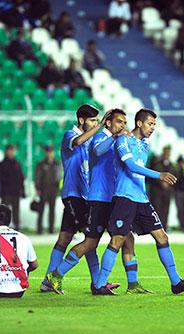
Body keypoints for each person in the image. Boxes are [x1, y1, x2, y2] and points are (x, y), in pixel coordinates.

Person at [92, 109, 184, 295]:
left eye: (154, 125)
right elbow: (131, 166)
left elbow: (139, 170)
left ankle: (176, 282)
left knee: (162, 237)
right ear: (139, 123)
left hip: (141, 199)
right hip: (124, 198)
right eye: (150, 124)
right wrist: (160, 175)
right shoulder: (123, 140)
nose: (152, 128)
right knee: (118, 240)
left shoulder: (145, 145)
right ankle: (99, 285)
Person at [47, 109, 151, 294]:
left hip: (111, 198)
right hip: (97, 199)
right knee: (90, 243)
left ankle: (132, 284)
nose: (122, 125)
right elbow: (97, 149)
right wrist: (112, 133)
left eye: (124, 122)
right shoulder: (97, 139)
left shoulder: (118, 140)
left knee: (127, 238)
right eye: (119, 122)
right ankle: (57, 275)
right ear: (109, 123)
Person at [40, 105, 115, 293]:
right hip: (74, 195)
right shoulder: (69, 135)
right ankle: (96, 282)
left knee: (64, 239)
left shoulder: (91, 140)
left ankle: (47, 282)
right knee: (91, 239)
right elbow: (79, 141)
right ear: (81, 120)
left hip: (85, 195)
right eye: (93, 120)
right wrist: (101, 127)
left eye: (97, 120)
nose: (96, 123)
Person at [0, 145, 25, 231]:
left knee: (16, 212)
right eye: (10, 150)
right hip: (6, 193)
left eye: (13, 150)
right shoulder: (2, 164)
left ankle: (17, 227)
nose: (11, 152)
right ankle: (2, 227)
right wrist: (7, 181)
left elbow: (21, 177)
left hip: (16, 192)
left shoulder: (17, 164)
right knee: (4, 211)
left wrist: (22, 190)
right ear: (6, 152)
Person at [148, 146, 176, 230]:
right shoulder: (156, 163)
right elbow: (153, 174)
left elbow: (176, 175)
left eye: (169, 153)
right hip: (157, 191)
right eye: (166, 152)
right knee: (157, 208)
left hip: (168, 191)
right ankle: (156, 226)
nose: (168, 154)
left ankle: (164, 225)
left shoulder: (172, 165)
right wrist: (161, 182)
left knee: (166, 208)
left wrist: (168, 184)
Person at [35, 146, 61, 234]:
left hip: (53, 190)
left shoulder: (56, 163)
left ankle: (51, 228)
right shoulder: (41, 164)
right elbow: (37, 177)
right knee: (41, 210)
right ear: (46, 153)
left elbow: (59, 177)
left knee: (52, 210)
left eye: (51, 151)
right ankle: (39, 229)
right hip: (43, 189)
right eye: (48, 152)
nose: (50, 153)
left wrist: (58, 189)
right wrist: (38, 188)